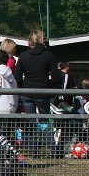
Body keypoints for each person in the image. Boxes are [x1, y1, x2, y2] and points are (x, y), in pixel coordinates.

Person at [13, 28, 59, 158]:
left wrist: (24, 86)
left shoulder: (23, 56)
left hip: (27, 92)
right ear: (41, 40)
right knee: (45, 120)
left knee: (31, 121)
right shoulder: (49, 56)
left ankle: (34, 151)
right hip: (43, 92)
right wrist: (48, 86)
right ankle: (53, 150)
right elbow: (55, 77)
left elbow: (17, 76)